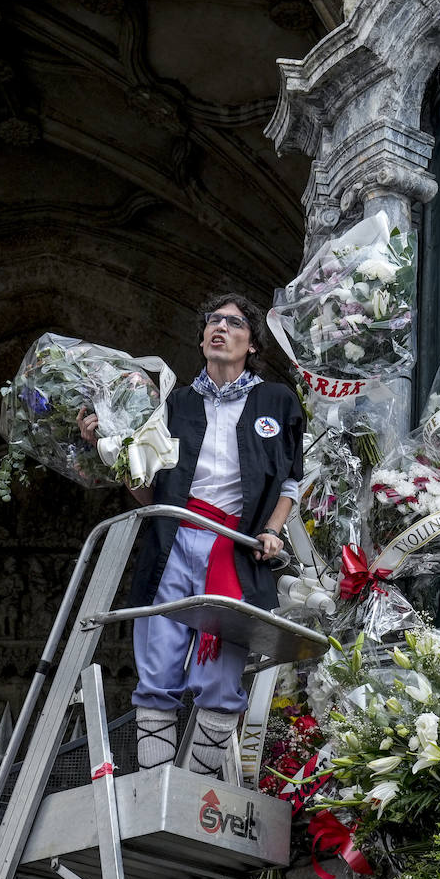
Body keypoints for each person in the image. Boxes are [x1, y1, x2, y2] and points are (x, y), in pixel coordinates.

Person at [79, 294, 303, 776]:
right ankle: (154, 784)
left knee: (221, 676)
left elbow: (290, 481)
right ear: (202, 337)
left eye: (234, 322)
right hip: (174, 542)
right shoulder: (174, 403)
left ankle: (195, 794)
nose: (219, 328)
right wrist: (109, 449)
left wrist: (271, 530)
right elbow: (149, 491)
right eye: (212, 322)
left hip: (236, 550)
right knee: (158, 660)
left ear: (252, 343)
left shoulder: (276, 401)